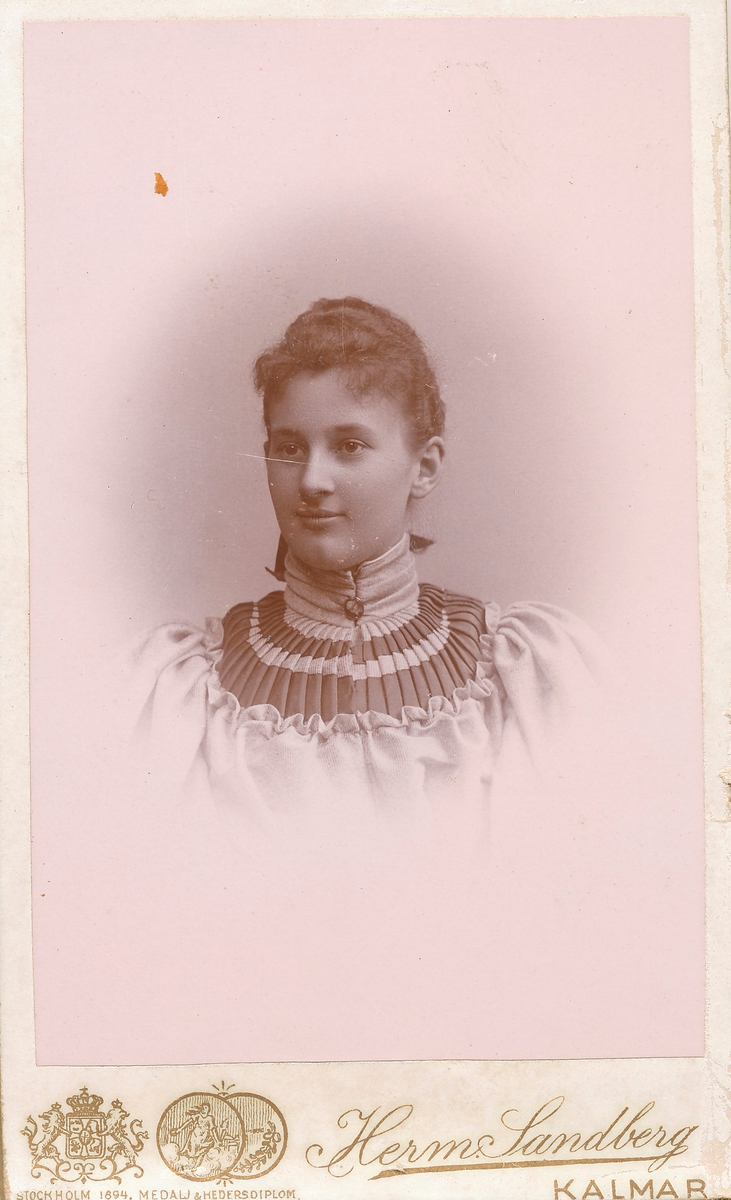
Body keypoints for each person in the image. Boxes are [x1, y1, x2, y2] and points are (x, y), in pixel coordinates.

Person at [132, 296, 605, 821]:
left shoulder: (521, 671)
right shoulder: (187, 685)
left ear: (424, 467)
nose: (312, 481)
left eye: (350, 446)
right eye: (290, 448)